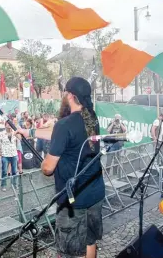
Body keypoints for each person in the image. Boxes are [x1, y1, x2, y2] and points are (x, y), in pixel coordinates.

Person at [19, 77, 105, 258]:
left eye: (65, 92)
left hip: (74, 199)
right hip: (95, 192)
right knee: (90, 241)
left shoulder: (64, 125)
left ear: (71, 96)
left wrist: (43, 163)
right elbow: (62, 134)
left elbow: (48, 168)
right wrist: (30, 132)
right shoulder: (91, 117)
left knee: (73, 251)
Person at [0, 121, 18, 191]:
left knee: (14, 171)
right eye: (7, 124)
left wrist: (16, 149)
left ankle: (14, 184)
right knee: (4, 171)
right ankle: (3, 185)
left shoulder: (15, 132)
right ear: (5, 125)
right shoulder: (1, 133)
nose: (9, 125)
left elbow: (16, 142)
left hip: (14, 154)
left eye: (10, 124)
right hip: (5, 154)